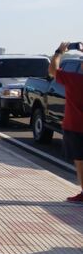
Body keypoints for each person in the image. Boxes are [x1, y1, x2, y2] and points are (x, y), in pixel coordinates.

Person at [49, 42, 83, 203]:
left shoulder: (74, 79)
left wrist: (59, 51)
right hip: (74, 126)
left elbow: (52, 71)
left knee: (80, 160)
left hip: (75, 126)